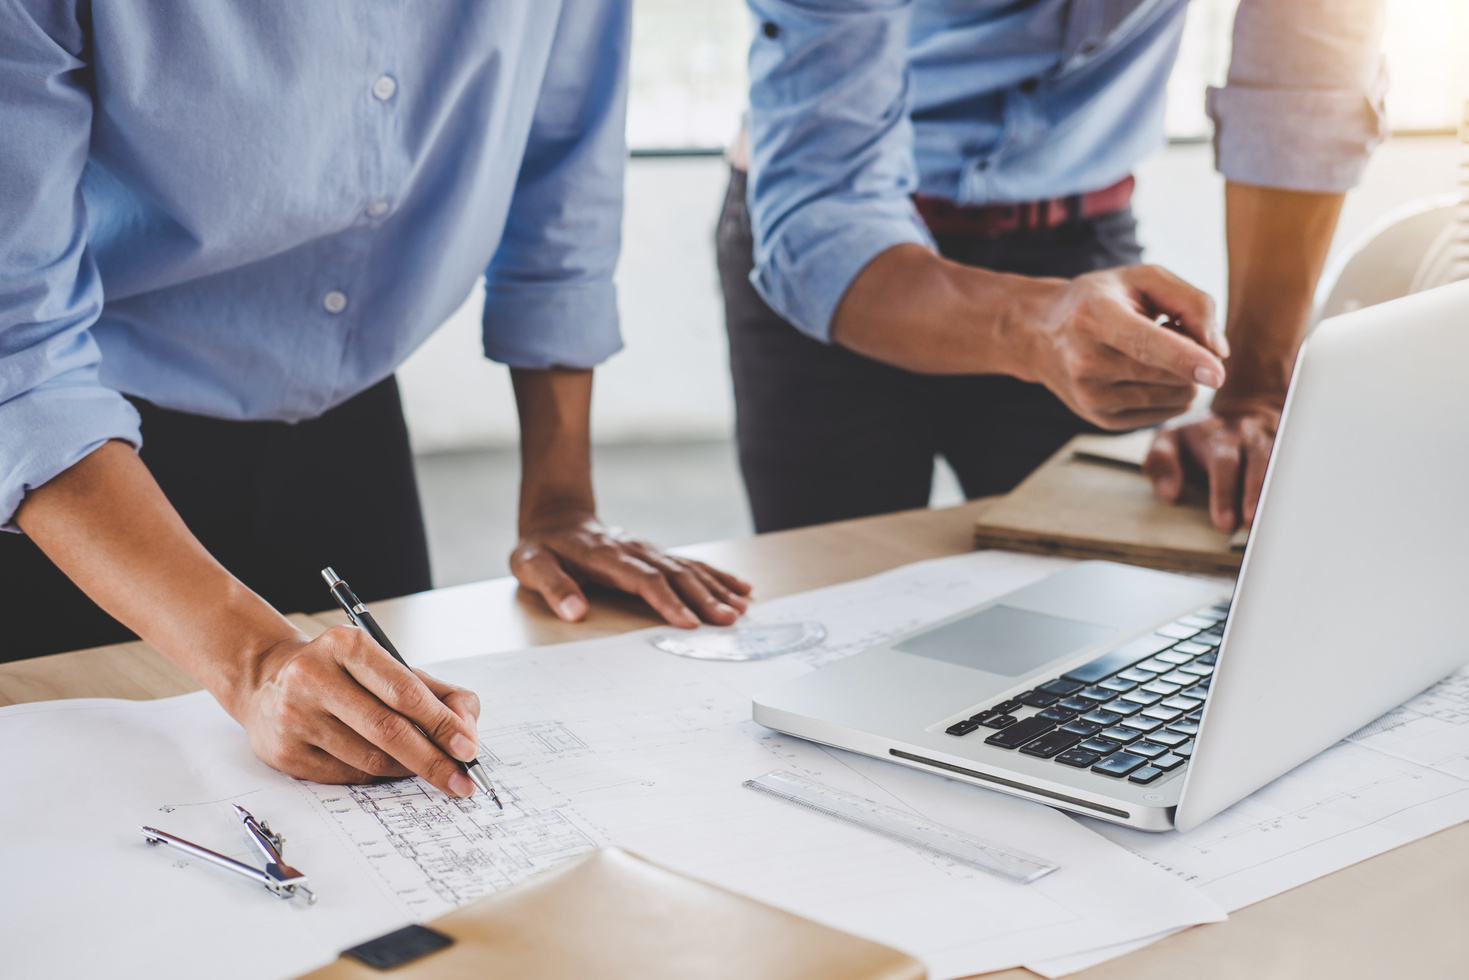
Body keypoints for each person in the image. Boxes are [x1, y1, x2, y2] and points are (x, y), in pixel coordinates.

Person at [0, 2, 750, 799]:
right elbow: (18, 345)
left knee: (392, 796)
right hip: (75, 478)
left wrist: (562, 504)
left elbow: (562, 179)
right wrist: (253, 661)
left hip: (351, 424)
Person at [718, 0, 1385, 534]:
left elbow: (1305, 84)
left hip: (1078, 244)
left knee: (1083, 645)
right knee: (835, 615)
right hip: (840, 266)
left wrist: (1254, 396)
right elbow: (823, 202)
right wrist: (1039, 327)